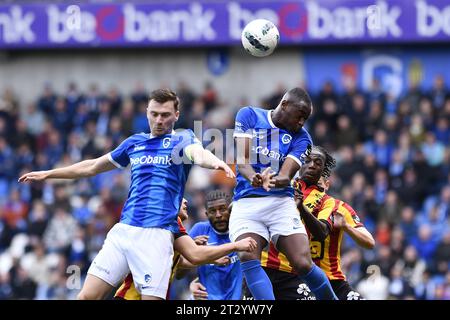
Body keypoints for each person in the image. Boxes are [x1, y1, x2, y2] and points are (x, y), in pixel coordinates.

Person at [19, 88, 236, 300]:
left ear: (176, 115)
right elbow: (92, 166)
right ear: (147, 113)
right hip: (124, 230)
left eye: (165, 115)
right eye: (154, 114)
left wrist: (216, 162)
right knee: (86, 295)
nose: (159, 120)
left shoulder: (182, 140)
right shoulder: (134, 143)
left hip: (156, 234)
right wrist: (49, 173)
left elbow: (198, 154)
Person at [231, 87, 337, 300]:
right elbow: (242, 162)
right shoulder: (249, 115)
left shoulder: (302, 138)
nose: (301, 123)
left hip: (280, 202)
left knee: (302, 263)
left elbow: (286, 175)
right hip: (246, 201)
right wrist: (255, 177)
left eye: (305, 119)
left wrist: (272, 180)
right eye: (300, 116)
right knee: (247, 254)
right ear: (285, 104)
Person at [243, 146, 375, 300]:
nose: (312, 168)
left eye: (318, 166)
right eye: (308, 162)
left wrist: (346, 226)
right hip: (281, 269)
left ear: (327, 184)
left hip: (329, 278)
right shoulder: (286, 190)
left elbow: (369, 242)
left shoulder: (335, 206)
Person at [114, 198, 256, 300]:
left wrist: (204, 260)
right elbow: (191, 258)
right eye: (181, 197)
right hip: (132, 296)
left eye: (222, 209)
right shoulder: (164, 227)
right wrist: (235, 246)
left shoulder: (174, 229)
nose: (186, 201)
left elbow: (176, 261)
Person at [178, 190, 242, 300]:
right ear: (207, 214)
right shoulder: (200, 230)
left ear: (231, 210)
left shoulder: (242, 230)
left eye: (222, 209)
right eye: (212, 211)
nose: (218, 215)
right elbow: (179, 274)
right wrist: (193, 253)